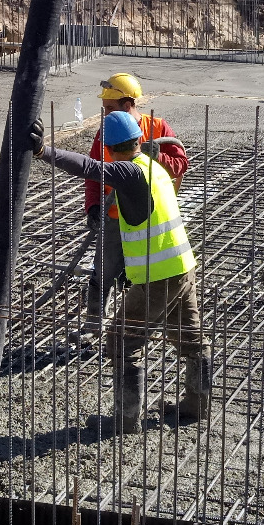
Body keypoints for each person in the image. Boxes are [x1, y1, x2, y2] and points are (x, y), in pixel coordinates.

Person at [33, 110, 209, 431]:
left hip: (158, 277)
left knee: (120, 342)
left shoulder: (130, 173)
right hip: (183, 268)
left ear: (110, 150)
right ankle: (197, 404)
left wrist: (44, 151)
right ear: (139, 139)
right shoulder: (154, 168)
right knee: (191, 339)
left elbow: (88, 168)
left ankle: (126, 419)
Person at [82, 73, 190, 329]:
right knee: (102, 274)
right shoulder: (106, 131)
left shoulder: (157, 128)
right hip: (114, 216)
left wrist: (160, 158)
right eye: (104, 109)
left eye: (110, 108)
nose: (106, 114)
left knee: (145, 279)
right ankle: (93, 326)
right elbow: (93, 173)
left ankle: (138, 328)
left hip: (148, 221)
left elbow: (181, 165)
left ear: (128, 104)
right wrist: (93, 205)